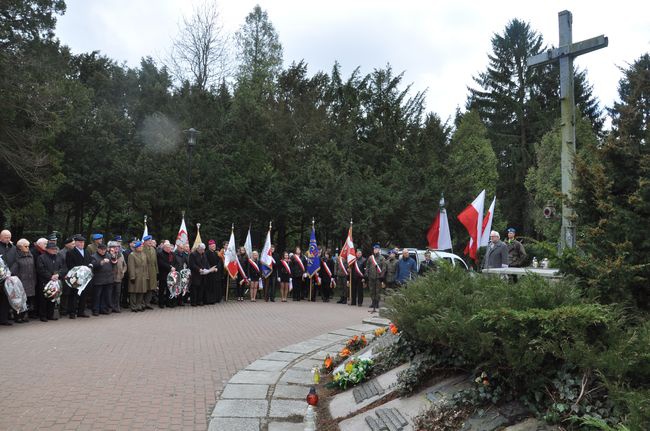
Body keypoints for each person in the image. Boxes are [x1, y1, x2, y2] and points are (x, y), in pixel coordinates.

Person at [36, 242, 66, 322]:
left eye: (55, 249)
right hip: (45, 281)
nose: (54, 250)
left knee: (53, 298)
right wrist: (50, 276)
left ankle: (50, 315)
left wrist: (58, 275)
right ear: (47, 249)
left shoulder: (59, 257)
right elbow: (40, 269)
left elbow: (64, 268)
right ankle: (43, 316)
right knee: (44, 299)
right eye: (52, 249)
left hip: (56, 281)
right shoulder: (41, 257)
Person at [65, 235, 92, 318]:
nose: (82, 244)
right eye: (80, 242)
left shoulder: (86, 252)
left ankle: (81, 311)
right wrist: (79, 271)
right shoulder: (70, 252)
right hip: (76, 277)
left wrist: (90, 266)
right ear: (75, 243)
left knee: (84, 294)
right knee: (74, 295)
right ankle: (72, 312)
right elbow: (70, 265)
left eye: (83, 242)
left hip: (85, 277)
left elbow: (89, 261)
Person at [10, 239, 37, 323]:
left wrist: (34, 279)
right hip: (20, 281)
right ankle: (17, 317)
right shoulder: (16, 256)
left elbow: (33, 269)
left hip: (30, 280)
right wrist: (18, 280)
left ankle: (24, 316)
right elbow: (13, 270)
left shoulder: (30, 255)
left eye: (28, 246)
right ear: (20, 247)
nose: (28, 248)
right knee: (19, 300)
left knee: (27, 299)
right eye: (26, 246)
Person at [90, 243, 115, 315]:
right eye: (101, 250)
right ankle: (95, 310)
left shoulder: (108, 255)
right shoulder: (94, 256)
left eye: (104, 250)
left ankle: (103, 309)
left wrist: (113, 257)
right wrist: (102, 262)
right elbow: (93, 266)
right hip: (98, 280)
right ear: (98, 249)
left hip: (108, 279)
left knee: (105, 295)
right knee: (97, 296)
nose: (103, 251)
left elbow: (114, 263)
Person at [0, 230, 17, 325]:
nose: (8, 239)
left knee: (6, 299)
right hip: (0, 276)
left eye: (9, 237)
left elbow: (16, 261)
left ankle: (4, 319)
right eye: (6, 237)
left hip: (9, 278)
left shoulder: (13, 248)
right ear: (1, 237)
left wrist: (10, 272)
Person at [127, 241, 148, 311]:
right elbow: (131, 266)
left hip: (143, 275)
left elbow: (146, 266)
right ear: (136, 248)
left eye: (142, 247)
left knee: (141, 291)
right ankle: (133, 306)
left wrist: (146, 275)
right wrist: (132, 277)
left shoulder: (144, 254)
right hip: (136, 275)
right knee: (134, 292)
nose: (141, 248)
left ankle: (139, 305)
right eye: (140, 247)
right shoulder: (132, 255)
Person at [57, 237, 75, 315]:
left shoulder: (74, 251)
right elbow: (61, 265)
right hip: (65, 275)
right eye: (72, 244)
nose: (74, 245)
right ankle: (63, 310)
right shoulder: (61, 253)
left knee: (72, 292)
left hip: (73, 275)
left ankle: (70, 308)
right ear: (67, 244)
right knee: (65, 293)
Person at [365, 243, 386, 309]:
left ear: (379, 250)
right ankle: (373, 302)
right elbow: (367, 266)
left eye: (376, 249)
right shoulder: (370, 257)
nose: (375, 250)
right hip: (371, 277)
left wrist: (381, 276)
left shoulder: (382, 258)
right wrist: (366, 273)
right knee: (371, 290)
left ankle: (376, 303)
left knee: (377, 291)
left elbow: (384, 268)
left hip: (378, 277)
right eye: (374, 249)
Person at [108, 240, 126, 313]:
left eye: (118, 247)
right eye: (114, 247)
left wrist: (123, 272)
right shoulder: (108, 255)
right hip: (111, 278)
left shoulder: (121, 255)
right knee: (110, 293)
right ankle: (110, 307)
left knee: (117, 293)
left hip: (119, 278)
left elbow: (125, 265)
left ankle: (116, 307)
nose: (117, 248)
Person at [157, 241, 175, 308]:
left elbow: (174, 262)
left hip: (171, 275)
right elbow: (161, 263)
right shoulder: (160, 254)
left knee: (169, 289)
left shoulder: (172, 254)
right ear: (164, 247)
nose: (169, 249)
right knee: (162, 289)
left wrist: (174, 267)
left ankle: (168, 302)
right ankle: (161, 303)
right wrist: (170, 267)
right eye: (167, 247)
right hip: (163, 274)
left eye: (169, 247)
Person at [142, 235, 158, 309]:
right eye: (148, 241)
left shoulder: (153, 249)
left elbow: (155, 262)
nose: (150, 242)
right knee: (144, 287)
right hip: (145, 271)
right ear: (144, 242)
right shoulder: (141, 249)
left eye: (150, 241)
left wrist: (156, 271)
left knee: (151, 288)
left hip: (152, 271)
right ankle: (142, 303)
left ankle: (147, 303)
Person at [205, 240, 222, 304]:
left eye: (214, 246)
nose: (214, 247)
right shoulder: (206, 253)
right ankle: (210, 300)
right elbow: (206, 262)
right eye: (212, 246)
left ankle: (216, 299)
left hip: (216, 272)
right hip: (210, 273)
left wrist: (217, 268)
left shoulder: (216, 253)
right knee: (210, 287)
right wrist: (211, 269)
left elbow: (219, 262)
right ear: (209, 246)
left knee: (216, 286)